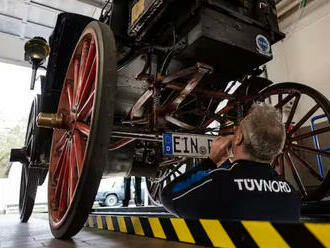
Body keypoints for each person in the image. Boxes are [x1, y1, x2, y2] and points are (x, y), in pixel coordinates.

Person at [161, 104, 301, 221]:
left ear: (239, 137)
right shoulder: (291, 194)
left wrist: (210, 161)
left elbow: (169, 196)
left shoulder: (219, 182)